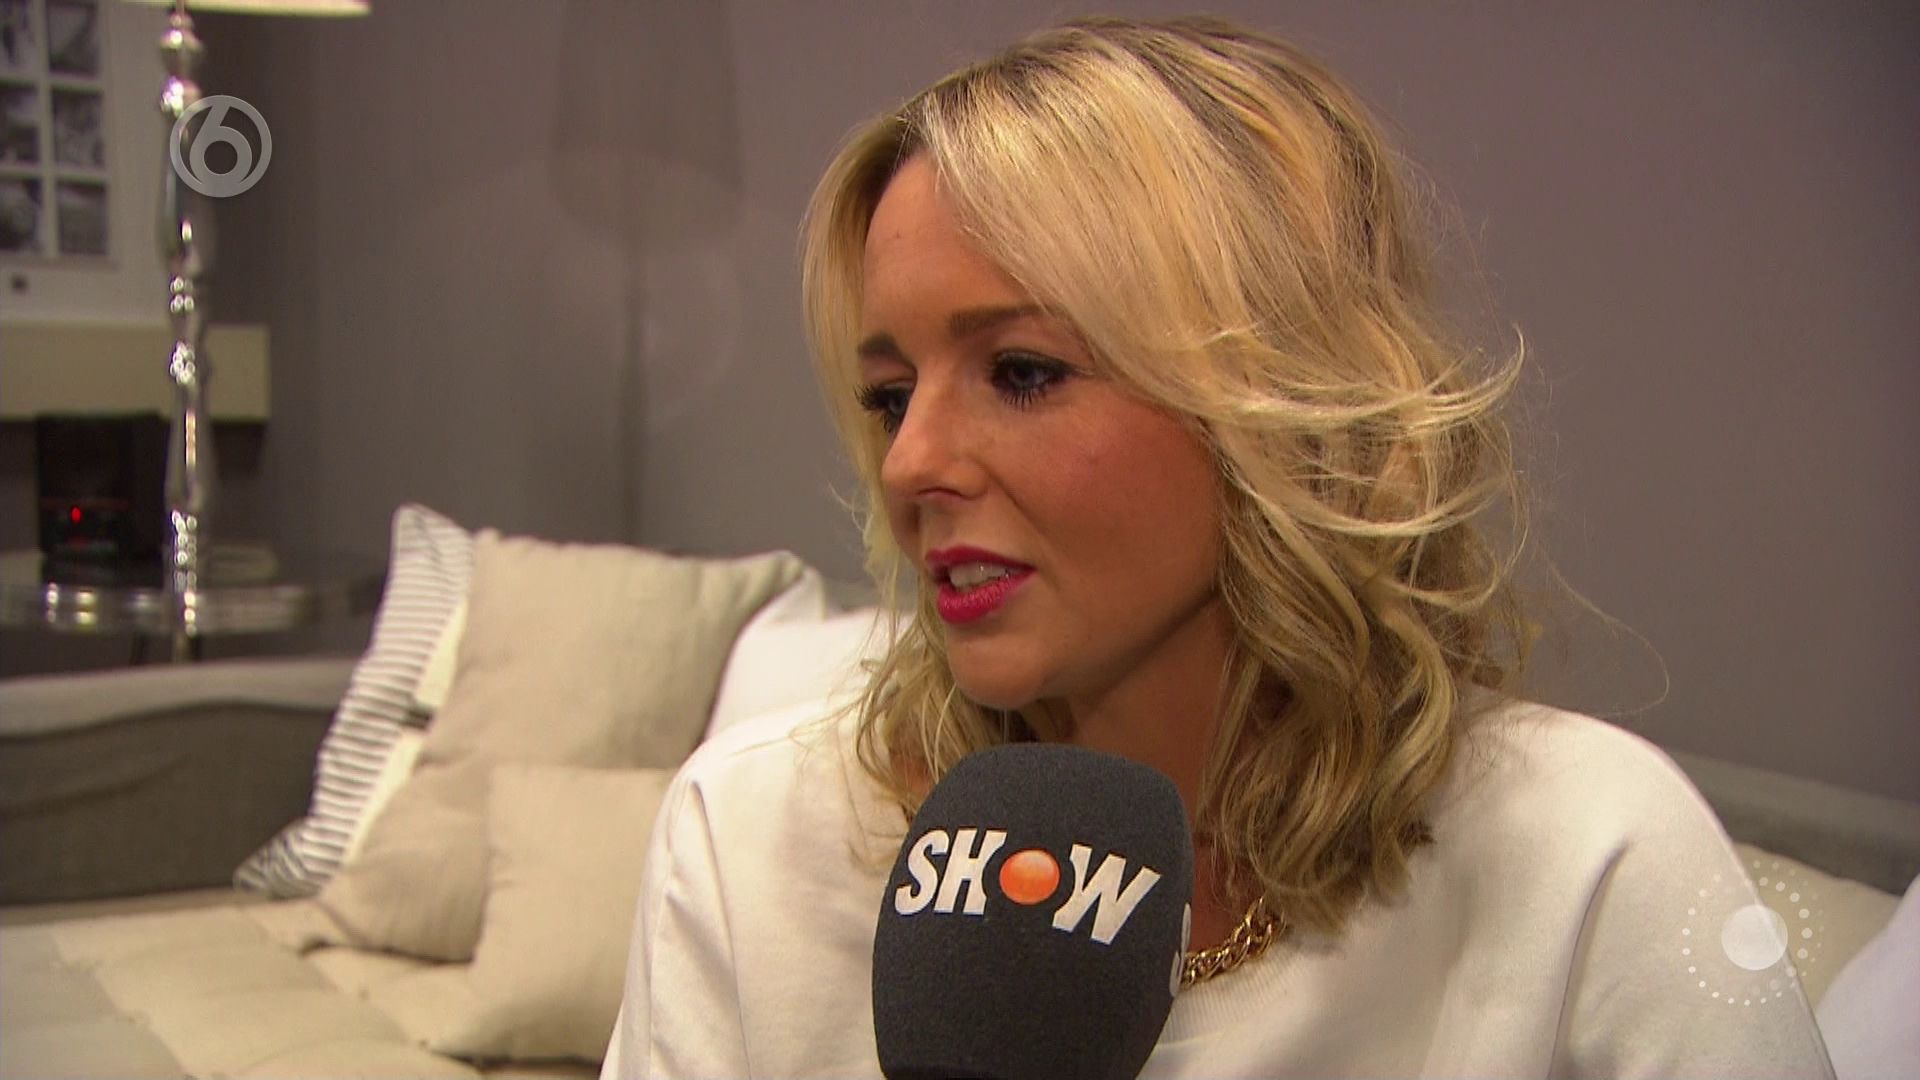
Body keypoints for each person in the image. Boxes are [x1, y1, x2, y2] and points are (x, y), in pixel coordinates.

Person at [603, 16, 1835, 1078]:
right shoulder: (748, 837)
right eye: (889, 395)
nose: (912, 461)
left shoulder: (1586, 855)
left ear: (1279, 403)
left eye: (1021, 371)